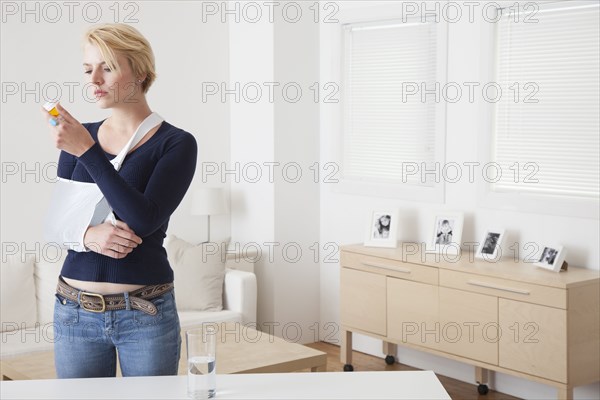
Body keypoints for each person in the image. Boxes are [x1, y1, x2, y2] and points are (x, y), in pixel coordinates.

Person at [41, 23, 197, 378]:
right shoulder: (81, 135)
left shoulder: (176, 144)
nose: (93, 79)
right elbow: (56, 224)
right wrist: (87, 236)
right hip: (74, 310)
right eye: (87, 69)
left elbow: (143, 219)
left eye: (107, 67)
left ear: (140, 72)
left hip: (145, 313)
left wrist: (88, 151)